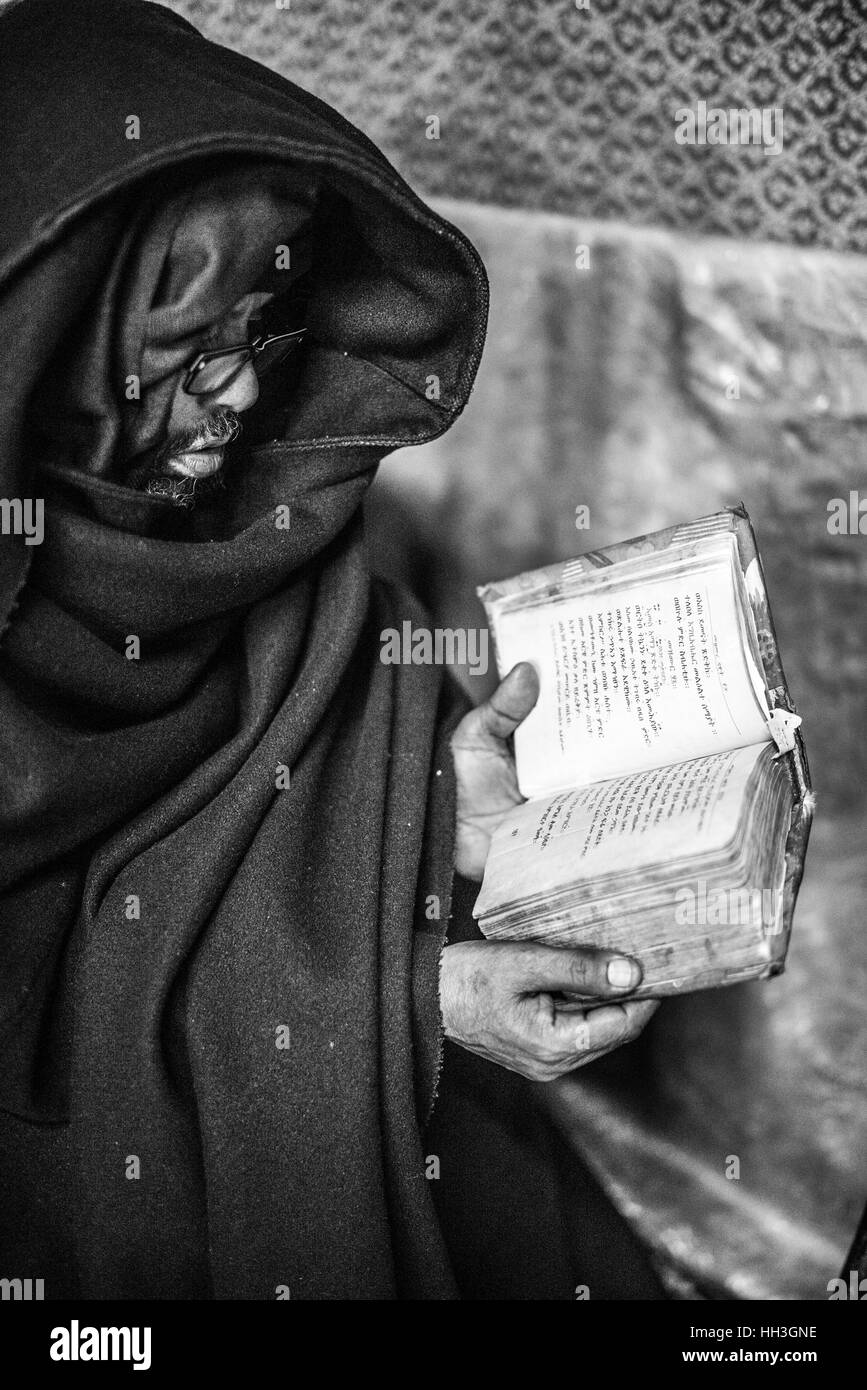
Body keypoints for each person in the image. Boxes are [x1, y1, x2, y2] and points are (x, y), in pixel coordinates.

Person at [0, 0, 663, 1299]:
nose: (241, 397)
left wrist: (448, 819)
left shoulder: (267, 538)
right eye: (184, 356)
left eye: (263, 331)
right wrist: (410, 1009)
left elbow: (307, 827)